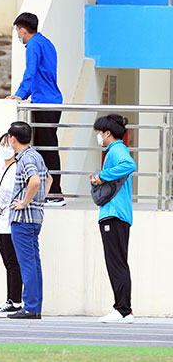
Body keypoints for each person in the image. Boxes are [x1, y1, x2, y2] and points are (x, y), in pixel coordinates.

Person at [6, 12, 65, 207]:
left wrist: (20, 95)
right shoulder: (46, 43)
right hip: (52, 101)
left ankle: (55, 194)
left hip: (44, 102)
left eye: (17, 31)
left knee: (47, 148)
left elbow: (30, 72)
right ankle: (49, 192)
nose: (18, 35)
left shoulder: (32, 45)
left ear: (22, 30)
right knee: (45, 147)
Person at [91, 114, 136, 324]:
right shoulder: (114, 151)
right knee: (117, 262)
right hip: (116, 214)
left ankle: (123, 310)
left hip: (114, 214)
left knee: (116, 263)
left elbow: (129, 165)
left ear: (107, 133)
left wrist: (102, 176)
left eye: (100, 133)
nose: (98, 136)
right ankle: (123, 308)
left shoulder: (117, 150)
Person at [7, 121, 52, 319]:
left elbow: (34, 180)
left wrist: (25, 202)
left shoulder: (25, 158)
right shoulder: (36, 155)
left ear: (12, 139)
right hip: (35, 217)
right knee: (33, 263)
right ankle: (34, 306)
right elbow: (48, 179)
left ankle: (31, 307)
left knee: (27, 264)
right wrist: (38, 201)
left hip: (23, 218)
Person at [0, 133, 23, 317]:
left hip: (11, 222)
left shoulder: (18, 168)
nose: (5, 147)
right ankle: (11, 299)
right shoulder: (2, 168)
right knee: (8, 263)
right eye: (2, 144)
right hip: (0, 222)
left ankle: (15, 301)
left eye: (8, 143)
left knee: (13, 263)